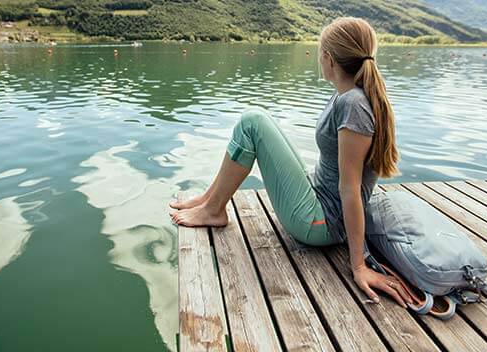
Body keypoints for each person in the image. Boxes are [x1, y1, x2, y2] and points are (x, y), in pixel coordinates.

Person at [169, 17, 412, 307]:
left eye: (320, 52)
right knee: (261, 121)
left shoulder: (353, 105)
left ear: (328, 58)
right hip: (318, 195)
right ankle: (211, 199)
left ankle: (213, 209)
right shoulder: (345, 95)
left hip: (321, 222)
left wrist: (358, 265)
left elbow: (350, 189)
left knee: (252, 122)